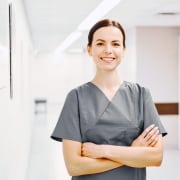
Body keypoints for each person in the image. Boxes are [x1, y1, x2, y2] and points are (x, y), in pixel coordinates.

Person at [51, 19, 167, 180]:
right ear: (90, 49)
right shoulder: (76, 98)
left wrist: (103, 151)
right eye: (100, 43)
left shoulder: (141, 95)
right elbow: (74, 166)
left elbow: (155, 157)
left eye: (115, 44)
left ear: (124, 50)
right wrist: (132, 152)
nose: (108, 50)